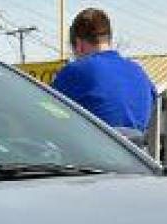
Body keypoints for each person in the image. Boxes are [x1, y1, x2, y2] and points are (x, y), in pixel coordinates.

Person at [51, 8, 156, 136]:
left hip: (91, 152)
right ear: (108, 39)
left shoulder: (76, 71)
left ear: (79, 44)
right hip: (134, 152)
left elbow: (47, 115)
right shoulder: (141, 74)